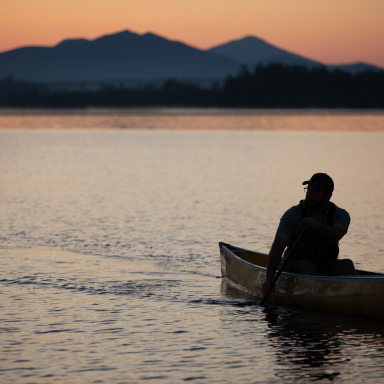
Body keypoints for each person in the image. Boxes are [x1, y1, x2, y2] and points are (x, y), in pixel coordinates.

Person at [262, 173, 356, 297]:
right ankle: (320, 298)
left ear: (328, 195)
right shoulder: (292, 214)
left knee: (347, 265)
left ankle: (354, 298)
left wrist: (318, 226)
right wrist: (269, 279)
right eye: (309, 190)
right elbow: (277, 247)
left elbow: (336, 236)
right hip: (293, 266)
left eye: (316, 191)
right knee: (307, 265)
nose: (310, 194)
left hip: (323, 265)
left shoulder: (340, 215)